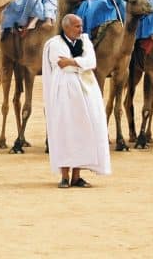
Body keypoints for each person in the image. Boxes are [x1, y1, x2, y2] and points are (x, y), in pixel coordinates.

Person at [42, 14, 111, 188]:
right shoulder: (54, 44)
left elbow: (91, 62)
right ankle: (64, 176)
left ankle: (77, 176)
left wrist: (73, 62)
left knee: (83, 130)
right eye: (77, 26)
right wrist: (80, 63)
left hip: (85, 90)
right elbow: (60, 64)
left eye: (81, 26)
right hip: (64, 91)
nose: (81, 29)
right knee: (65, 130)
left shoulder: (86, 41)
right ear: (66, 27)